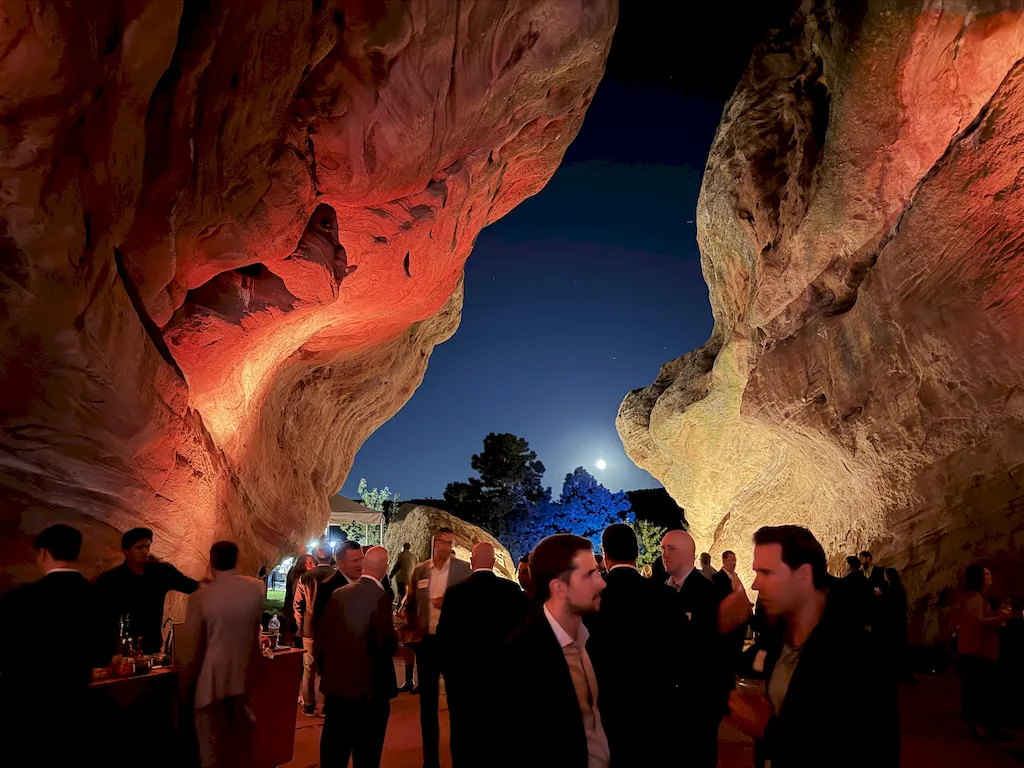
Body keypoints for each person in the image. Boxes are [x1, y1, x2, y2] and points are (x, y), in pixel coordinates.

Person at [728, 526, 899, 768]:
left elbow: (865, 750)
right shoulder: (776, 636)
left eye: (767, 573)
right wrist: (722, 626)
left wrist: (769, 730)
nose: (755, 585)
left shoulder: (858, 654)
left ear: (804, 575)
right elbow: (728, 675)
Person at [500, 534, 609, 768]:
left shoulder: (599, 636)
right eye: (590, 575)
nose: (602, 583)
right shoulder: (523, 657)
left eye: (598, 572)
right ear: (559, 588)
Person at [0, 525, 108, 761]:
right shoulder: (97, 597)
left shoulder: (19, 599)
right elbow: (102, 655)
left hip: (27, 706)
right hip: (76, 702)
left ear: (44, 553)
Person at [585, 524, 683, 765]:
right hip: (657, 707)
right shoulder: (666, 597)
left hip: (609, 708)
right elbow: (682, 652)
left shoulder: (592, 599)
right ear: (637, 553)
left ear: (605, 555)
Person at [437, 543, 528, 767]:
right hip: (502, 677)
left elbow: (444, 637)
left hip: (464, 678)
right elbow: (522, 634)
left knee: (463, 730)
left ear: (471, 562)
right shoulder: (511, 591)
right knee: (499, 733)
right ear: (494, 563)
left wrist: (449, 674)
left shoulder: (454, 593)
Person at [179, 541, 265, 768]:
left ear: (211, 561)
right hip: (245, 677)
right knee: (242, 747)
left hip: (212, 681)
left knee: (211, 751)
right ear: (237, 559)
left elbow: (193, 647)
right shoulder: (256, 589)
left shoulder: (201, 597)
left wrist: (184, 682)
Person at [317, 546, 397, 768]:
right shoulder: (381, 597)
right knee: (367, 753)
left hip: (338, 689)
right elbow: (385, 646)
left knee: (334, 751)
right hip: (369, 692)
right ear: (385, 568)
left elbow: (322, 637)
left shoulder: (339, 594)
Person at [406, 527, 471, 768]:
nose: (448, 547)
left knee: (457, 703)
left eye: (451, 542)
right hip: (427, 643)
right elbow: (412, 602)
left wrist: (450, 602)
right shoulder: (421, 570)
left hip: (453, 644)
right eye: (444, 542)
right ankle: (430, 760)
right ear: (435, 543)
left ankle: (460, 757)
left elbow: (469, 605)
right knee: (428, 705)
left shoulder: (464, 570)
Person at [662, 529, 727, 768]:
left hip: (700, 699)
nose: (664, 555)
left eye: (671, 549)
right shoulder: (663, 591)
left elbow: (715, 650)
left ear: (690, 554)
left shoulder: (709, 592)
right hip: (672, 700)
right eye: (663, 549)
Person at [95, 526, 200, 655]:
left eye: (148, 547)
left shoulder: (160, 572)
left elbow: (191, 586)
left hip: (151, 647)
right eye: (139, 548)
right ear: (126, 551)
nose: (145, 551)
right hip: (117, 649)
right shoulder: (111, 579)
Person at [956, 564, 1011, 742]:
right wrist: (1001, 618)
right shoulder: (974, 597)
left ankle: (985, 727)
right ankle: (980, 730)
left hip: (978, 650)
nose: (988, 577)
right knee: (981, 693)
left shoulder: (977, 597)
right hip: (977, 651)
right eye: (984, 574)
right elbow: (978, 622)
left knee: (982, 693)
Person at [293, 544, 342, 716]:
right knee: (331, 667)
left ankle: (308, 704)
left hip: (310, 628)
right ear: (331, 556)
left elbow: (297, 605)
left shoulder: (306, 577)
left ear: (316, 556)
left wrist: (301, 624)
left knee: (309, 669)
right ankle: (327, 704)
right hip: (333, 629)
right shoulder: (337, 576)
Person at [713, 550, 750, 691]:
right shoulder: (717, 578)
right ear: (724, 561)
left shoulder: (736, 578)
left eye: (735, 560)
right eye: (731, 560)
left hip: (738, 630)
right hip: (727, 630)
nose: (734, 563)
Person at [882, 567, 915, 683]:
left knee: (894, 646)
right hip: (900, 620)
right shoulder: (899, 588)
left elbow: (888, 604)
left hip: (892, 621)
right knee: (901, 645)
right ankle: (904, 672)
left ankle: (895, 672)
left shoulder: (891, 589)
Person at [285, 553, 315, 647]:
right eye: (310, 563)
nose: (314, 565)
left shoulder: (305, 579)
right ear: (304, 565)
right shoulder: (300, 580)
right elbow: (298, 602)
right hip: (299, 623)